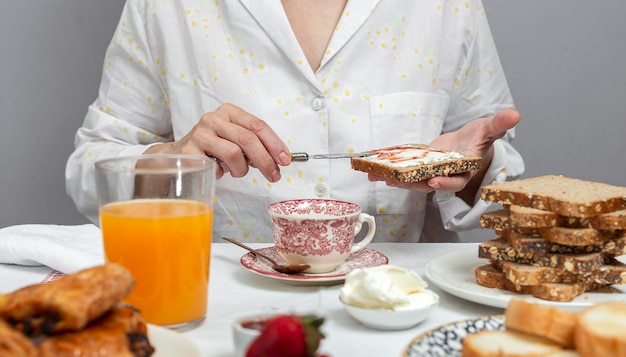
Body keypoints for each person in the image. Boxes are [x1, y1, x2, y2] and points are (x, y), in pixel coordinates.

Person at [66, 0, 525, 243]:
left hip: (394, 311)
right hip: (217, 314)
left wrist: (474, 171)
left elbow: (499, 182)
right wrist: (174, 160)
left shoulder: (448, 5)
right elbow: (89, 170)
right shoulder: (166, 6)